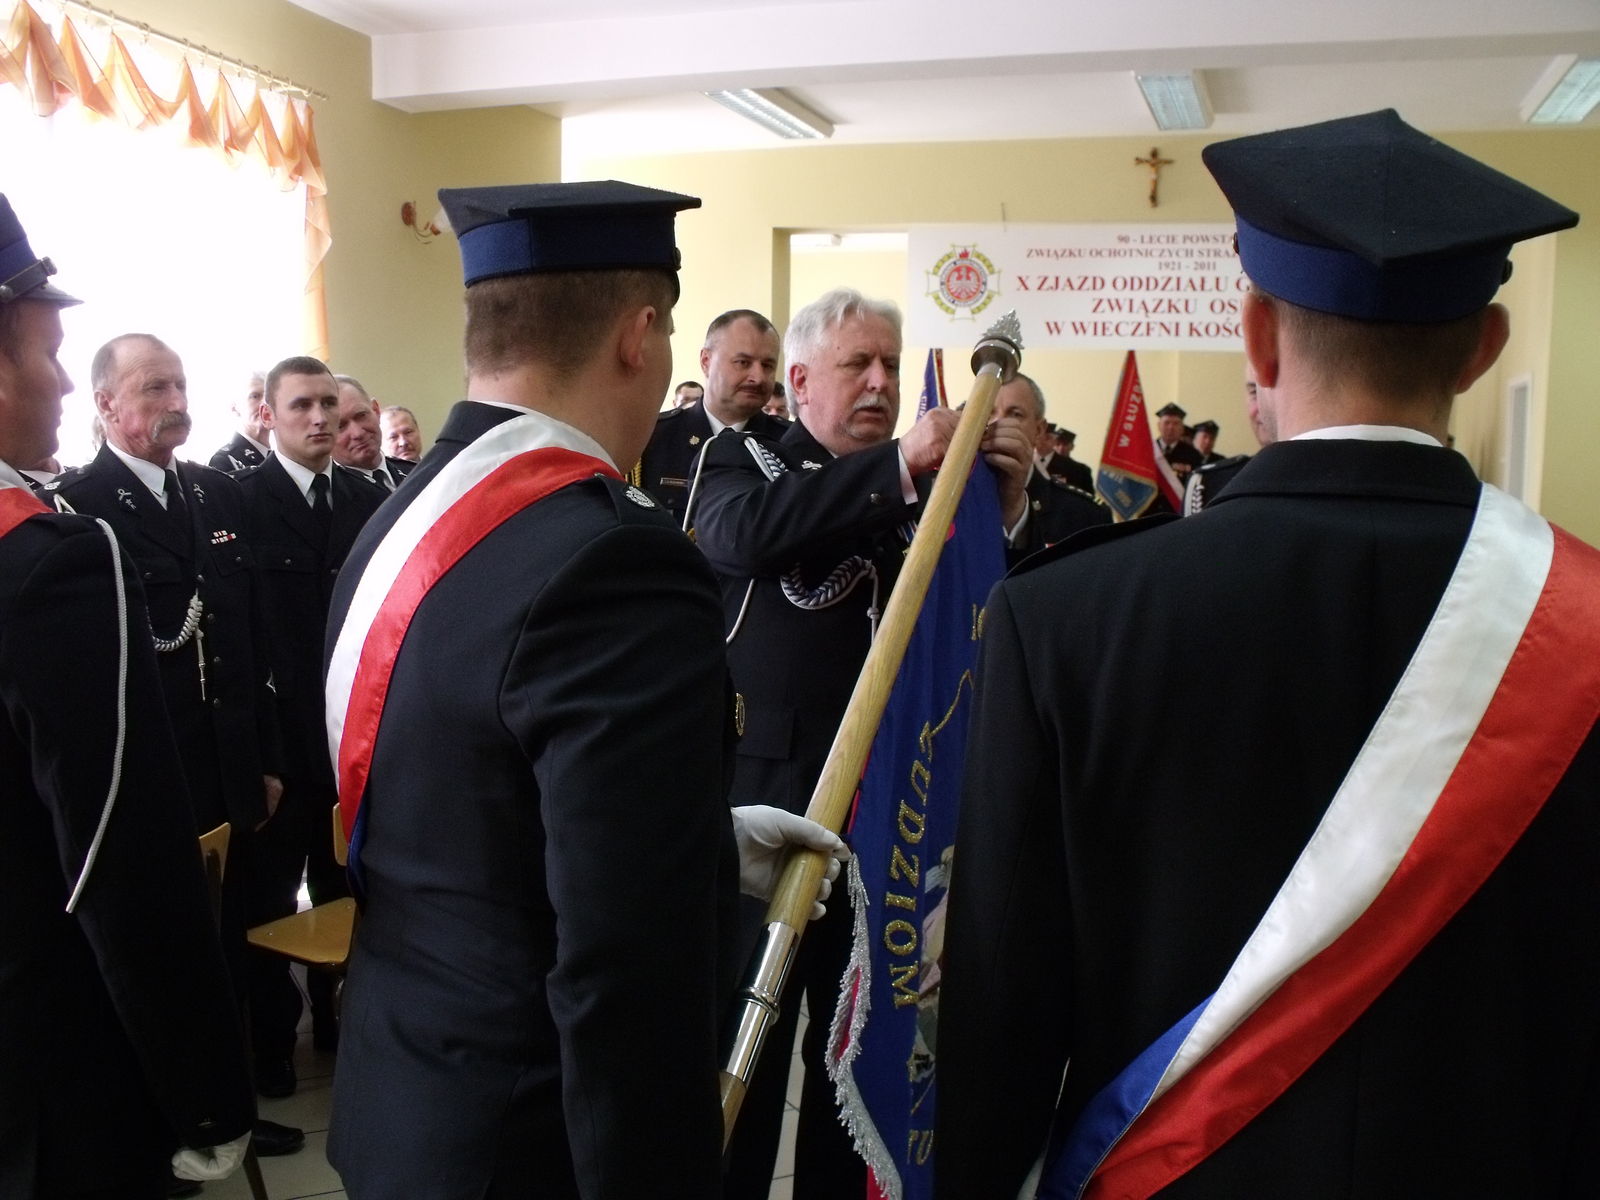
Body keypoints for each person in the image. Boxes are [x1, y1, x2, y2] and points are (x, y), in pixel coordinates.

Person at [935, 109, 1597, 1199]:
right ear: (1486, 348)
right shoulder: (1581, 620)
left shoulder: (1063, 619)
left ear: (1256, 335)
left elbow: (999, 1015)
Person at [322, 181, 843, 1198]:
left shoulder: (402, 514)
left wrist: (697, 839)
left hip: (405, 1099)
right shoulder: (619, 559)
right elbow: (626, 969)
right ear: (638, 336)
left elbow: (473, 811)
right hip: (534, 1140)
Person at [693, 286, 1035, 1198]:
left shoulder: (927, 488)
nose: (882, 381)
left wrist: (998, 512)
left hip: (894, 819)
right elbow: (743, 536)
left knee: (858, 1059)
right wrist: (901, 465)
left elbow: (981, 630)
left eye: (891, 363)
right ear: (801, 380)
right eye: (859, 364)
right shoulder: (743, 457)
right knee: (746, 1052)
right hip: (770, 817)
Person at [0, 193, 255, 1199]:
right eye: (49, 350)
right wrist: (204, 1094)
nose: (62, 382)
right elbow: (118, 857)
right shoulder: (48, 560)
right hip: (48, 1062)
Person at [45, 334, 303, 1160]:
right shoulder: (77, 507)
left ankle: (232, 1106)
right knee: (168, 953)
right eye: (154, 388)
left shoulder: (215, 495)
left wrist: (265, 760)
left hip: (229, 767)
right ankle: (171, 1121)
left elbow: (250, 645)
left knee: (233, 942)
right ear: (106, 404)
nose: (175, 402)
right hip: (155, 774)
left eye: (181, 385)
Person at [235, 356, 387, 1093]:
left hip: (354, 735)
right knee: (269, 901)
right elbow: (240, 642)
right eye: (302, 405)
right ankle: (270, 1051)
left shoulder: (370, 498)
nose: (321, 418)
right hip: (285, 741)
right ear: (269, 415)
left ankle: (340, 1027)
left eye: (330, 403)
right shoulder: (242, 502)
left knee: (351, 890)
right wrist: (260, 754)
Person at [632, 308, 787, 526]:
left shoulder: (789, 444)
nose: (758, 377)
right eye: (743, 362)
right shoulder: (653, 437)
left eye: (768, 365)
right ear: (706, 361)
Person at [992, 373, 1110, 550]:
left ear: (1039, 430)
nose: (998, 423)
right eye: (987, 413)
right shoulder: (953, 502)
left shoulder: (1087, 516)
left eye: (1015, 414)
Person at [334, 374, 414, 491]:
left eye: (361, 415)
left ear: (376, 410)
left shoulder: (415, 473)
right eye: (340, 426)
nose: (358, 433)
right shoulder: (330, 497)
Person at [208, 371, 269, 472]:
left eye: (269, 397)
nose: (265, 403)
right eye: (255, 396)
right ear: (234, 408)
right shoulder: (223, 462)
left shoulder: (284, 456)